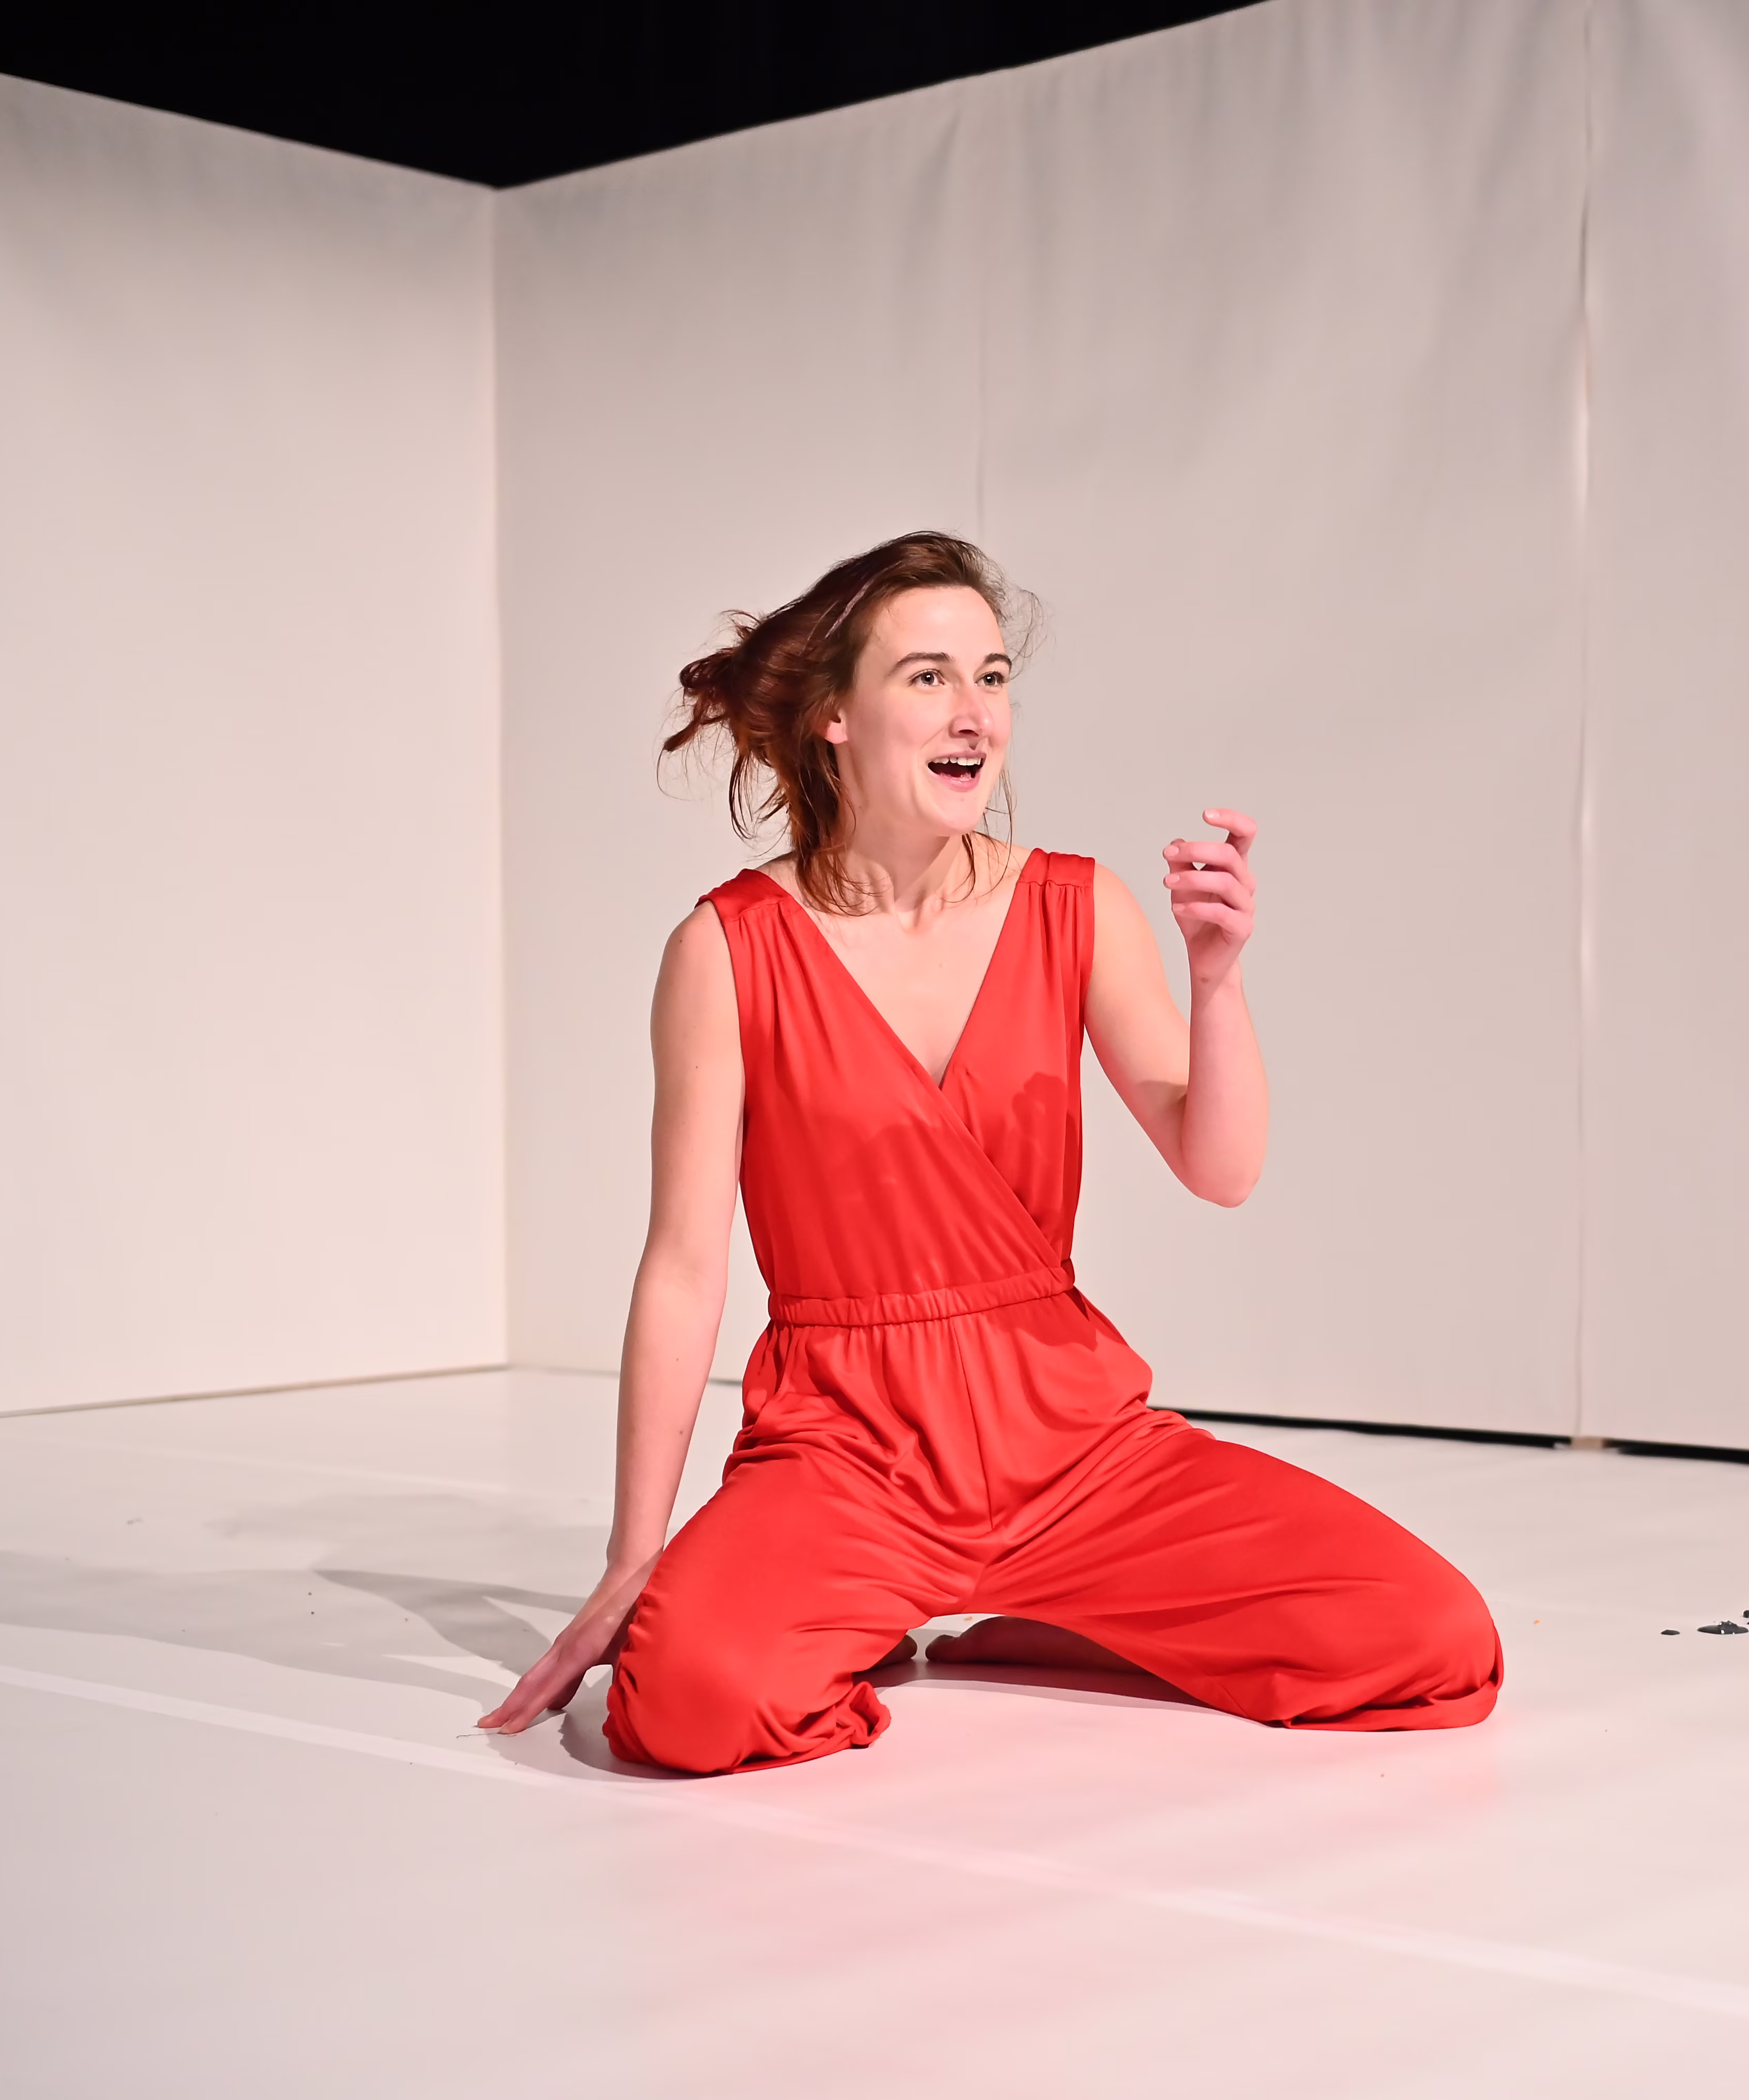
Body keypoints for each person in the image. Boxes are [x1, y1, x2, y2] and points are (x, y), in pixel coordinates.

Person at [477, 530, 1502, 1772]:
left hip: (1072, 1444)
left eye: (994, 675)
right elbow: (685, 1266)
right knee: (690, 1704)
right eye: (929, 676)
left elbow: (1221, 1167)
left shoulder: (1077, 904)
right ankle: (870, 1607)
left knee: (1435, 1639)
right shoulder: (727, 949)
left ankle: (1028, 1622)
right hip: (846, 1452)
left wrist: (1218, 981)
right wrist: (631, 1554)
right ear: (836, 715)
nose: (976, 709)